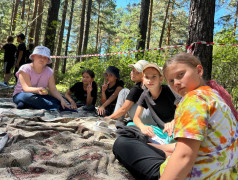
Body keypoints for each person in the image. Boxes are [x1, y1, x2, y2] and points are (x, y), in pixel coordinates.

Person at [113, 53, 238, 179]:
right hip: (222, 172)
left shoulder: (193, 100)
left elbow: (184, 157)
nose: (176, 83)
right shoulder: (214, 95)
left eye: (181, 74)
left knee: (122, 143)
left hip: (194, 174)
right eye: (171, 81)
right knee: (141, 141)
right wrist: (156, 147)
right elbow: (191, 144)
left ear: (199, 71)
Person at [13, 45, 72, 111]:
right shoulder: (25, 68)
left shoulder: (49, 71)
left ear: (47, 60)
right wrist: (39, 89)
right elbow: (26, 89)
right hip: (22, 94)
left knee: (56, 100)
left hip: (40, 96)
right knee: (30, 97)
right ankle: (56, 107)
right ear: (33, 57)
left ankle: (26, 104)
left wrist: (61, 100)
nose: (42, 59)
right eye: (40, 56)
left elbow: (53, 90)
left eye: (45, 57)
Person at [132, 63, 180, 139]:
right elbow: (136, 118)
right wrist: (143, 127)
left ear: (161, 79)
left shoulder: (170, 90)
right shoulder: (145, 95)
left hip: (177, 127)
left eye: (154, 77)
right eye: (147, 77)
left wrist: (172, 123)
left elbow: (183, 112)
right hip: (161, 130)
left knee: (172, 139)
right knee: (130, 126)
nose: (150, 80)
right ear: (143, 80)